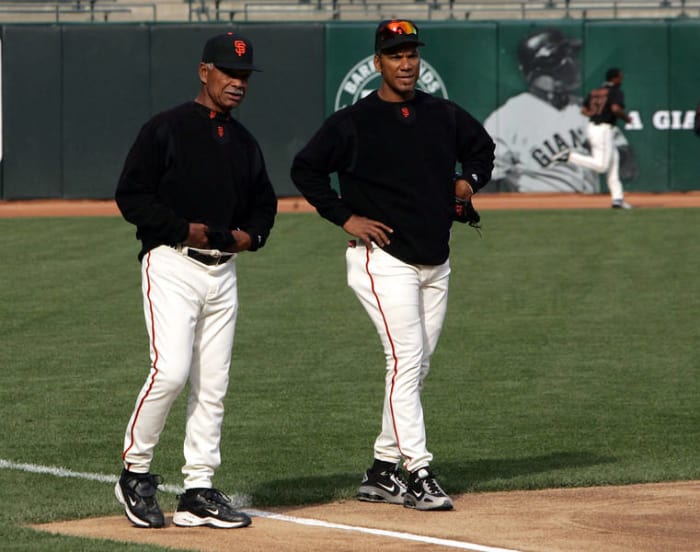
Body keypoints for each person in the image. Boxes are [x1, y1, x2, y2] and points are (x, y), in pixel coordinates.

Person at [290, 19, 495, 511]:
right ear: (377, 62)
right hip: (382, 260)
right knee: (404, 361)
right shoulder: (354, 121)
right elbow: (306, 168)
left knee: (415, 368)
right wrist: (345, 216)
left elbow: (482, 149)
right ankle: (417, 470)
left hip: (435, 260)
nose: (406, 63)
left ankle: (382, 470)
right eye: (395, 54)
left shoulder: (441, 114)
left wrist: (467, 182)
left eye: (411, 53)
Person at [113, 31, 277, 529]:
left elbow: (263, 204)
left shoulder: (244, 142)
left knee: (213, 384)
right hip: (172, 262)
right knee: (170, 371)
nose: (238, 83)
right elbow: (131, 196)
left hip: (222, 273)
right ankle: (134, 472)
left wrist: (251, 237)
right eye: (229, 72)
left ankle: (198, 488)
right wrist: (182, 227)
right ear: (204, 71)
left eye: (244, 75)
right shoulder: (166, 128)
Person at [483, 28, 636, 194]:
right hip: (536, 213)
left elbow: (628, 168)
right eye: (567, 57)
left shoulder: (587, 109)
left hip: (590, 213)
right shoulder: (507, 119)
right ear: (548, 63)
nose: (575, 63)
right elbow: (487, 181)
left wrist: (606, 151)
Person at [552, 67, 634, 209]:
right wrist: (626, 118)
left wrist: (596, 114)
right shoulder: (615, 91)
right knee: (601, 166)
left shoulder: (595, 92)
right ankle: (569, 156)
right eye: (620, 77)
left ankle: (618, 200)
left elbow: (584, 111)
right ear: (614, 78)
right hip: (603, 130)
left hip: (596, 127)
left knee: (613, 163)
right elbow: (615, 109)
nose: (621, 79)